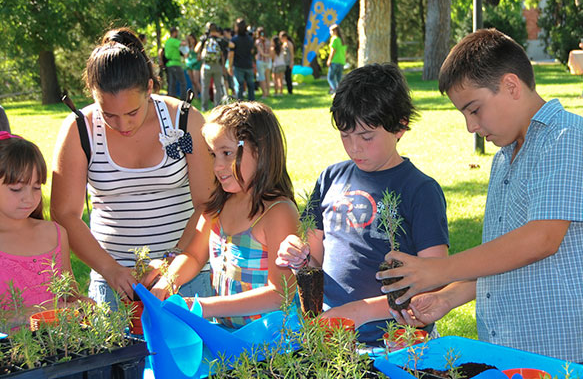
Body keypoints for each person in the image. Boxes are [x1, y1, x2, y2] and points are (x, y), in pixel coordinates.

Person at [376, 29, 583, 363]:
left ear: (511, 86)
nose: (470, 126)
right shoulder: (504, 157)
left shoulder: (568, 139)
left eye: (474, 109)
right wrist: (448, 298)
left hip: (576, 358)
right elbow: (506, 257)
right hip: (515, 355)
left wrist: (439, 270)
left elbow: (540, 240)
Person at [275, 63, 449, 345]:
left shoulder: (420, 190)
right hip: (331, 335)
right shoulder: (330, 178)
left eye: (366, 137)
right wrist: (300, 257)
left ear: (400, 126)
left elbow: (437, 279)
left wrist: (362, 311)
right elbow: (314, 260)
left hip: (397, 341)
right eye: (345, 135)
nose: (354, 147)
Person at [51, 28, 214, 308]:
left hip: (187, 278)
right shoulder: (80, 128)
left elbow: (208, 203)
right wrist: (111, 270)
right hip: (112, 284)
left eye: (132, 113)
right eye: (109, 114)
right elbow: (64, 214)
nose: (123, 125)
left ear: (149, 88)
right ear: (93, 93)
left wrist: (173, 263)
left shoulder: (185, 120)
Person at [151, 101, 298, 328]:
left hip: (271, 344)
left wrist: (205, 307)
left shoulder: (277, 212)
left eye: (227, 153)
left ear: (261, 151)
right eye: (213, 154)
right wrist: (167, 282)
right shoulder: (219, 206)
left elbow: (281, 294)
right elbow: (193, 256)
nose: (218, 166)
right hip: (226, 335)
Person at [0, 133, 79, 318]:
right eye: (16, 189)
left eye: (36, 187)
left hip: (61, 345)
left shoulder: (55, 234)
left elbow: (70, 297)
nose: (29, 198)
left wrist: (82, 304)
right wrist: (42, 313)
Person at [196, 23, 229, 112]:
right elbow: (230, 46)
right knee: (217, 87)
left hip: (206, 66)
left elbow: (196, 49)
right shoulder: (219, 40)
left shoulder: (204, 39)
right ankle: (217, 107)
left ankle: (204, 107)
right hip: (217, 66)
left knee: (205, 87)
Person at [229, 18, 256, 101]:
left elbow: (231, 54)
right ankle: (252, 103)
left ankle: (239, 104)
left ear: (236, 27)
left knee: (239, 86)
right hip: (248, 64)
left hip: (238, 65)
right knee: (250, 85)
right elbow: (252, 51)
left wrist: (230, 66)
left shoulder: (234, 39)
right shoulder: (250, 39)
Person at [164, 27, 186, 100]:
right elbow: (183, 44)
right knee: (183, 82)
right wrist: (186, 41)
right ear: (174, 33)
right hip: (175, 64)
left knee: (172, 83)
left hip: (169, 64)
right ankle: (183, 99)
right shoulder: (174, 41)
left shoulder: (167, 41)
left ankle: (171, 98)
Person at [326, 25, 346, 95]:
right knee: (338, 79)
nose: (330, 33)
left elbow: (333, 51)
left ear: (335, 31)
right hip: (341, 61)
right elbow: (345, 52)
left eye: (331, 31)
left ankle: (335, 91)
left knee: (330, 78)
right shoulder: (342, 40)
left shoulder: (334, 39)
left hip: (335, 61)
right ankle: (341, 92)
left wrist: (329, 60)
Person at [255, 28, 271, 98]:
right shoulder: (268, 41)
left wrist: (266, 55)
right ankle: (268, 92)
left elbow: (261, 53)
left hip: (261, 61)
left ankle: (264, 94)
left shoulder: (258, 41)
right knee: (267, 78)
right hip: (268, 61)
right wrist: (269, 56)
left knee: (262, 78)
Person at [184, 33, 202, 99]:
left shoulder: (197, 46)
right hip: (190, 65)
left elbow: (200, 57)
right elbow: (186, 56)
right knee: (192, 81)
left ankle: (203, 95)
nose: (191, 40)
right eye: (190, 39)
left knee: (196, 81)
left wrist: (194, 60)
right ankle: (196, 96)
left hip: (196, 64)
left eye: (192, 38)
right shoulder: (188, 47)